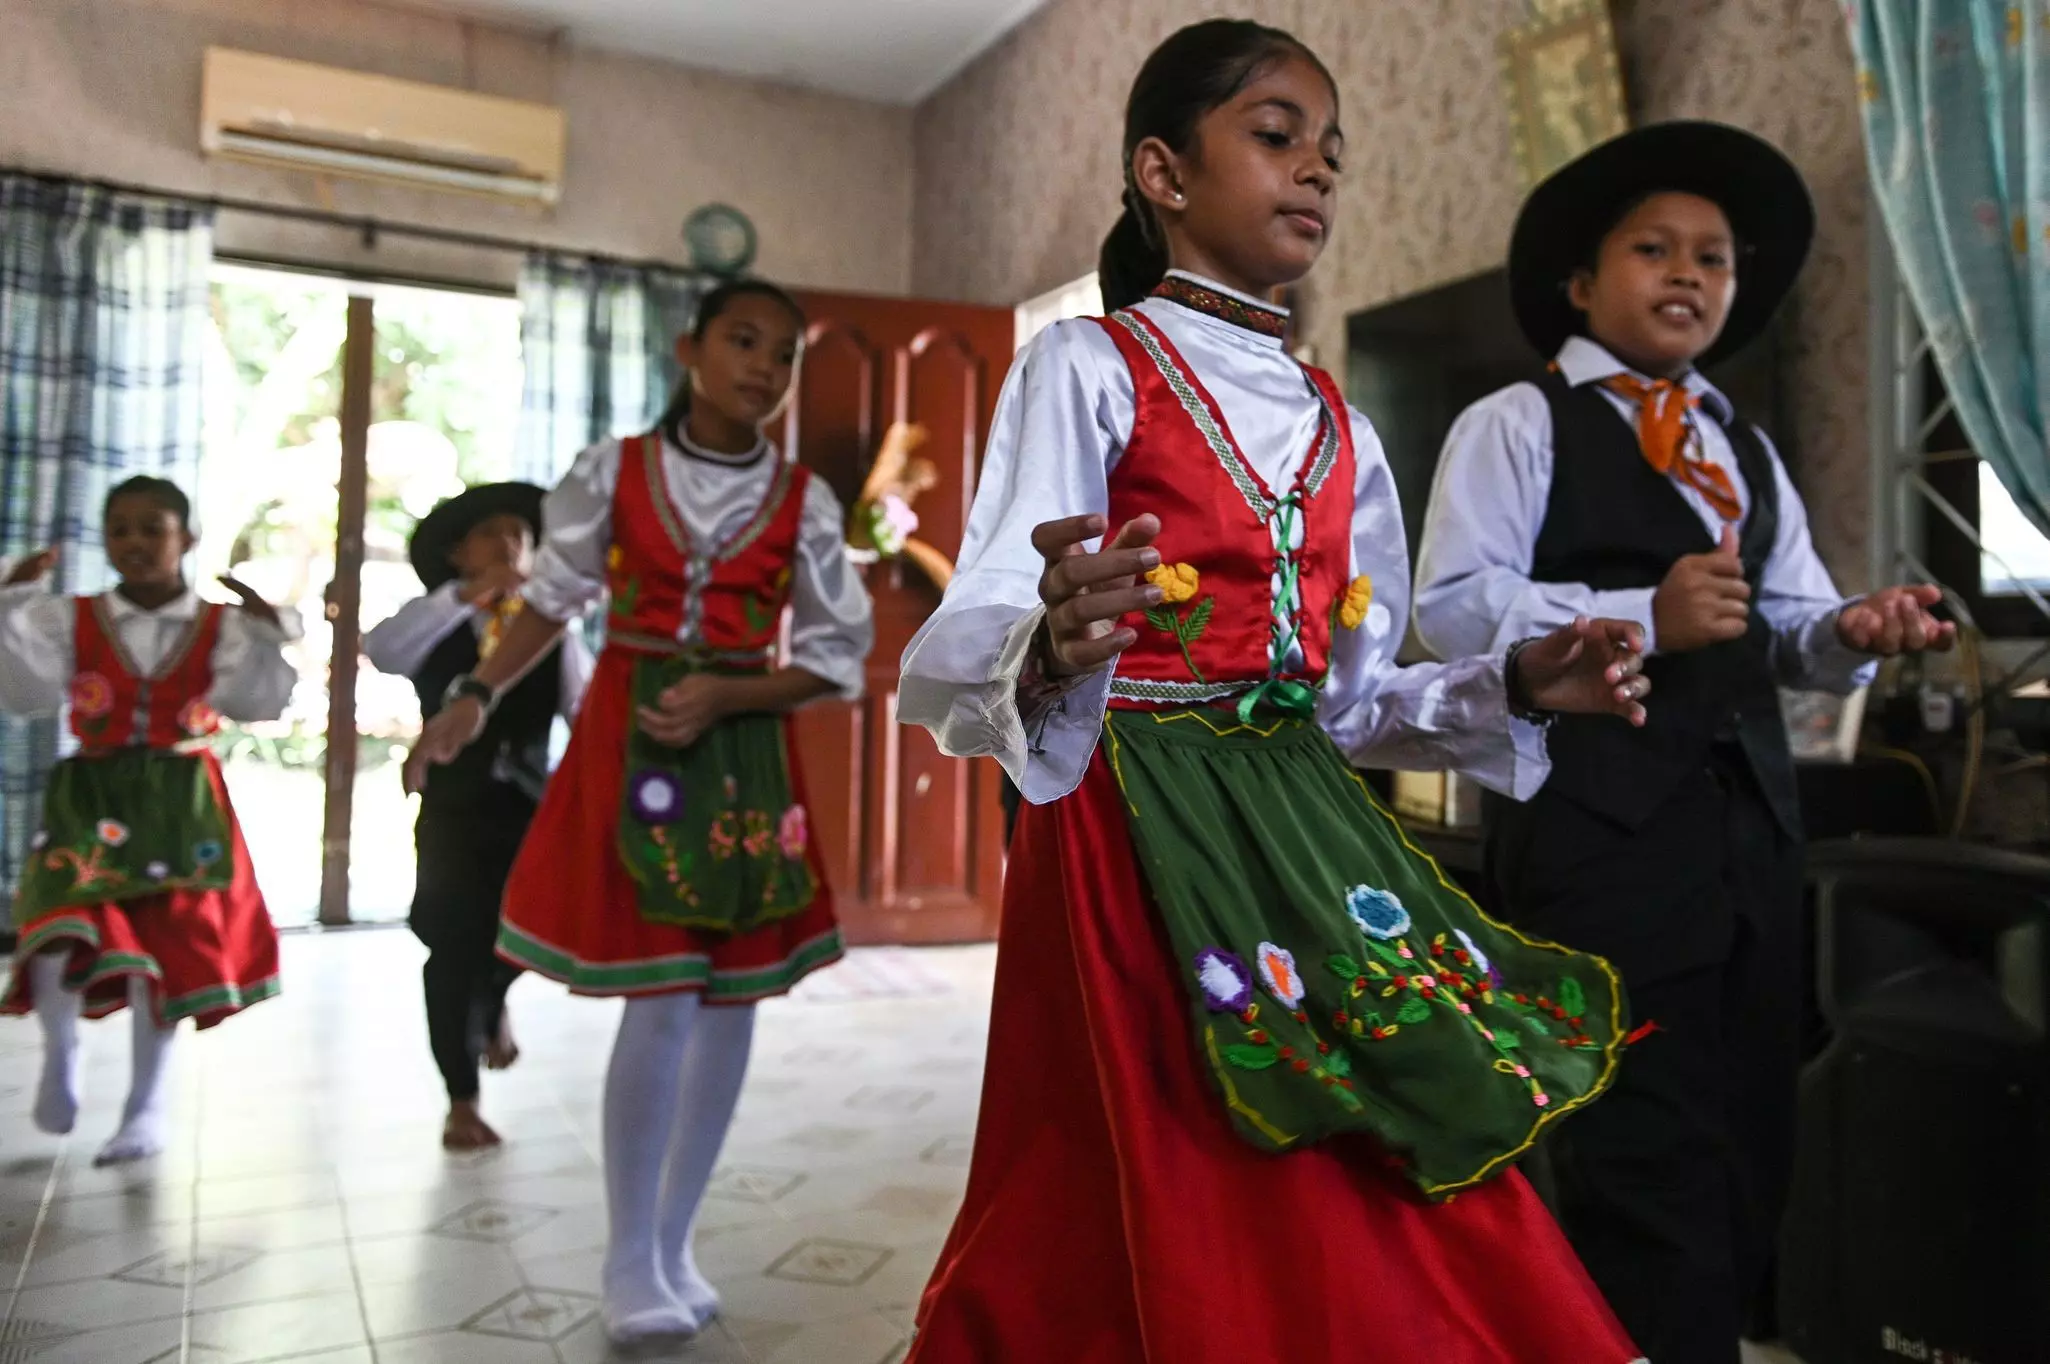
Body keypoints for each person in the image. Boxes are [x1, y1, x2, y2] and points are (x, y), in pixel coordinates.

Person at [896, 21, 1655, 1362]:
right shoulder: (1088, 367)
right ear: (1163, 173)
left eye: (1331, 152)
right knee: (1180, 1155)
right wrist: (1057, 639)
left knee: (1386, 1122)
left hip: (1302, 812)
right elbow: (996, 614)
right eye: (1274, 134)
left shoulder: (1340, 427)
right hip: (1136, 819)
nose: (1314, 170)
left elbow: (1352, 703)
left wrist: (1516, 680)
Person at [1411, 121, 1957, 1364]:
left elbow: (1788, 623)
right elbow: (1447, 608)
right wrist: (1631, 617)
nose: (1687, 273)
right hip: (1599, 831)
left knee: (1751, 1127)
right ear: (1579, 283)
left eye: (1713, 257)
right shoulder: (1518, 422)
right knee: (1632, 1142)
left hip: (1752, 834)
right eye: (1652, 247)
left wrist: (1854, 627)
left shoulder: (1739, 445)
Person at [405, 279, 873, 1344]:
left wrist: (732, 690)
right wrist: (472, 702)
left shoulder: (803, 500)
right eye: (742, 340)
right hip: (636, 744)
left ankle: (674, 1239)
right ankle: (628, 1255)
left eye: (783, 353)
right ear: (688, 349)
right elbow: (553, 599)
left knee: (728, 1000)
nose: (763, 365)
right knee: (662, 993)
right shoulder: (613, 473)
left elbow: (836, 658)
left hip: (744, 755)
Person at [0, 476, 294, 1166]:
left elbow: (258, 706)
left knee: (157, 957)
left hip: (179, 796)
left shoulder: (220, 625)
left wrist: (264, 635)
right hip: (91, 794)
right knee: (51, 926)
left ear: (185, 539)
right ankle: (60, 1053)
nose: (134, 543)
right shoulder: (71, 618)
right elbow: (28, 696)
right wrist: (9, 608)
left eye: (151, 528)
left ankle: (144, 1107)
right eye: (120, 529)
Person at [363, 481, 593, 1151]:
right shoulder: (437, 617)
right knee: (451, 941)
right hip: (454, 805)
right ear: (459, 553)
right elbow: (384, 650)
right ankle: (460, 1097)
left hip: (530, 803)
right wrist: (466, 597)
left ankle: (493, 1004)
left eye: (520, 536)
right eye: (493, 535)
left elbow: (584, 710)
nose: (510, 545)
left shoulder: (551, 630)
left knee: (534, 928)